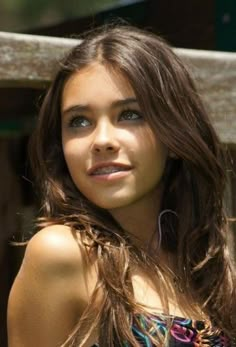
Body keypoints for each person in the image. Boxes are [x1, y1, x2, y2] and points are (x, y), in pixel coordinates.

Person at [7, 25, 236, 347]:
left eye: (130, 114)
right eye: (79, 121)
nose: (102, 141)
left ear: (174, 135)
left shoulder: (210, 264)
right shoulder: (62, 253)